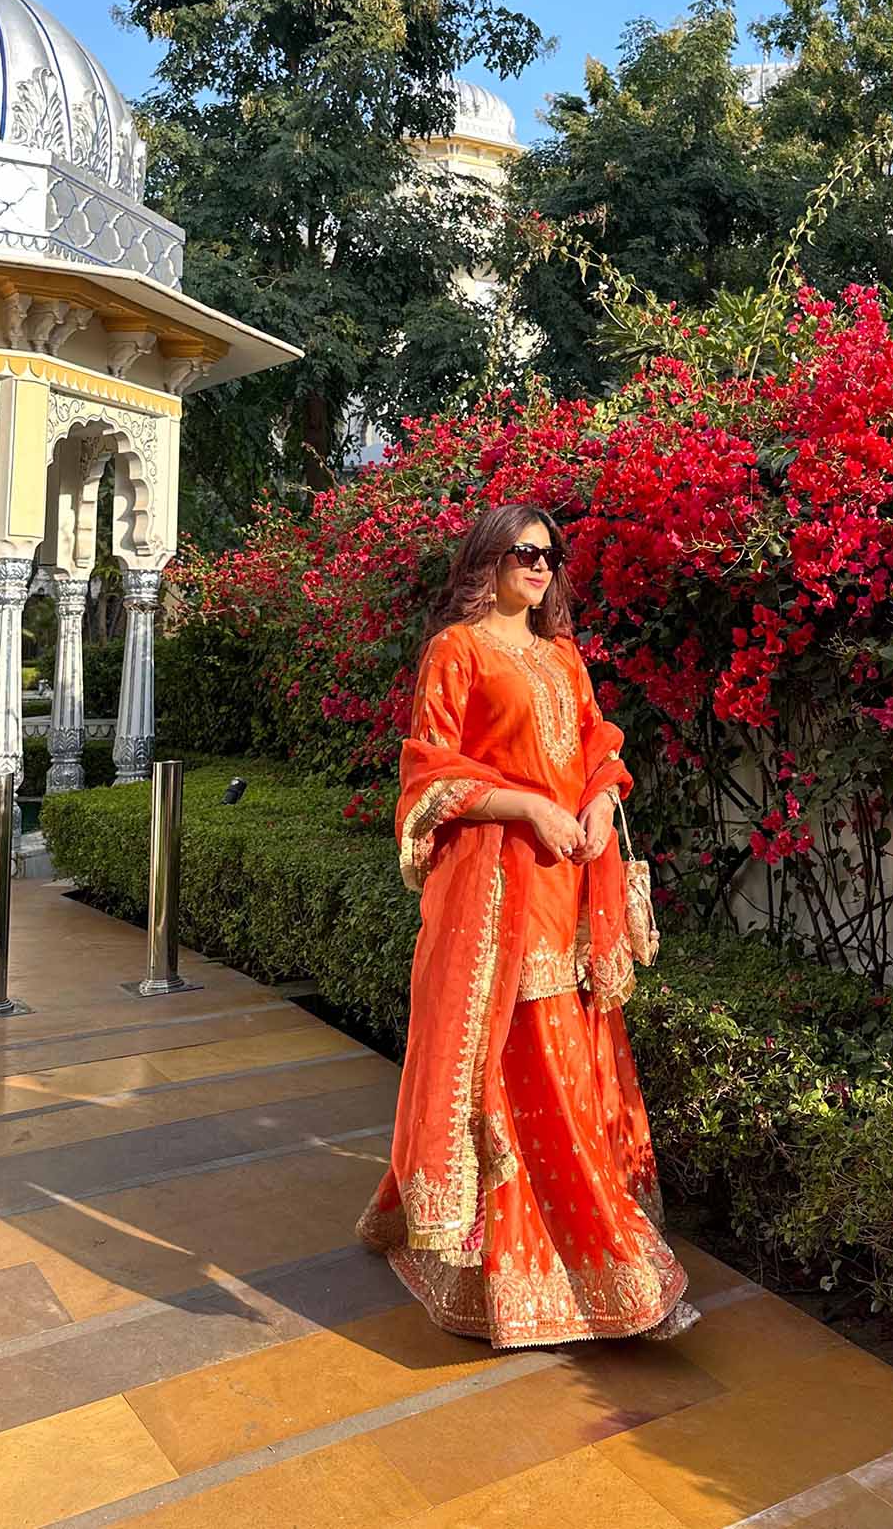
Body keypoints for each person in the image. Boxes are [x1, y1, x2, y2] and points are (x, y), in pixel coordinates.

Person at [356, 502, 698, 1348]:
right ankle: (538, 1265)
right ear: (486, 562)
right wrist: (528, 809)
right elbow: (428, 769)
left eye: (550, 554)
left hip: (566, 887)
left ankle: (587, 1247)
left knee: (566, 1053)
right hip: (493, 887)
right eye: (523, 553)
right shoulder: (457, 650)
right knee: (510, 1057)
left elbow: (598, 746)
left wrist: (595, 800)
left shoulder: (563, 657)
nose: (540, 567)